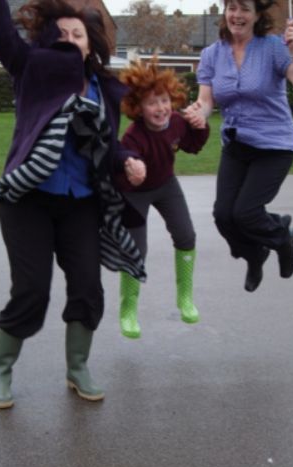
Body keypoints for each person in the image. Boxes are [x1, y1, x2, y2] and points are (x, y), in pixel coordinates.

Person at [0, 0, 147, 408]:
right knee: (32, 290)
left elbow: (106, 146)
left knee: (88, 288)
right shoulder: (32, 69)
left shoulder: (103, 90)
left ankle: (78, 368)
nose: (69, 40)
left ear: (90, 45)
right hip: (28, 201)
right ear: (47, 41)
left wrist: (128, 160)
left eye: (77, 35)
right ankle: (1, 371)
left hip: (81, 204)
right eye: (61, 34)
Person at [184, 0, 293, 292]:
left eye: (244, 8)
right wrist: (199, 113)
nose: (237, 15)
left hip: (274, 145)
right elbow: (206, 100)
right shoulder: (212, 54)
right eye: (232, 8)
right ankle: (255, 255)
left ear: (257, 15)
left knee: (245, 213)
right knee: (223, 216)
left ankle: (283, 237)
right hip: (236, 144)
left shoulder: (274, 47)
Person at [115, 60, 210, 338]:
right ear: (138, 108)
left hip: (166, 185)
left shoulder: (177, 122)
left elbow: (193, 146)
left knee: (186, 235)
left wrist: (200, 126)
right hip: (134, 193)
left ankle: (185, 298)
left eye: (165, 100)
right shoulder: (133, 136)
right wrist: (132, 168)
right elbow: (121, 168)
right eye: (151, 103)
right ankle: (128, 310)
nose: (160, 108)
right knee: (135, 251)